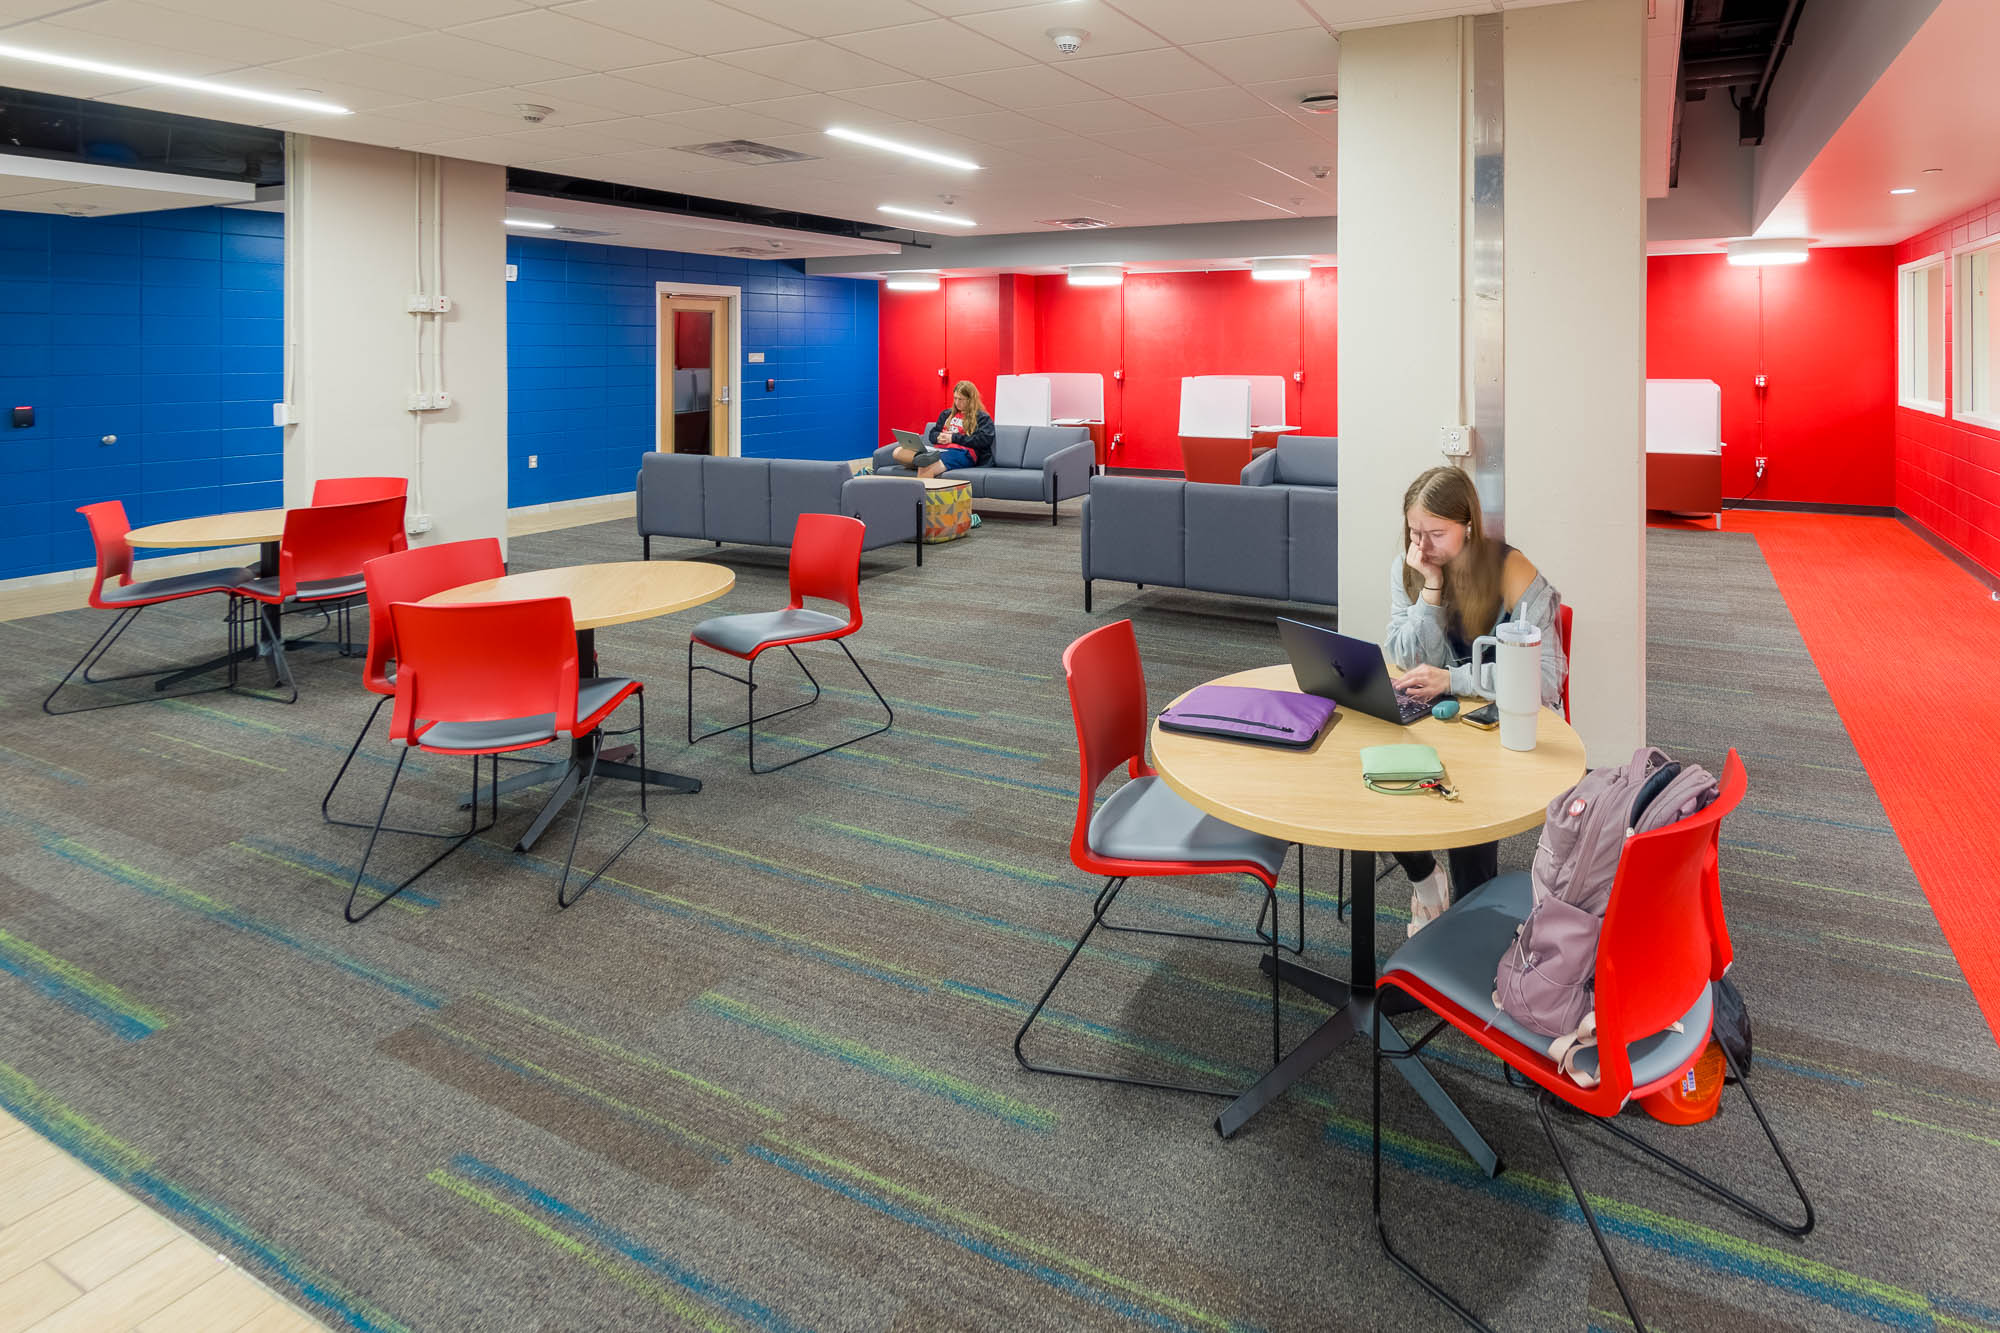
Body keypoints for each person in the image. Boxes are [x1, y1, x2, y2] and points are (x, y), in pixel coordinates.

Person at [1383, 465, 1568, 935]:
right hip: (1438, 718)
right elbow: (1405, 657)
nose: (1422, 546)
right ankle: (1426, 880)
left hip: (1504, 725)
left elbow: (1544, 680)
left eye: (1436, 534)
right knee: (1376, 775)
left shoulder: (1512, 572)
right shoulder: (1413, 565)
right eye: (1414, 532)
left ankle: (1466, 922)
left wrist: (1455, 679)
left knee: (1468, 796)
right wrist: (1430, 587)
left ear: (1468, 527)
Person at [891, 380, 994, 479]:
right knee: (898, 452)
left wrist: (952, 438)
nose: (957, 402)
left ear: (970, 400)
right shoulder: (947, 414)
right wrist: (938, 437)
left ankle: (921, 491)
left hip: (962, 452)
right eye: (955, 398)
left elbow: (984, 439)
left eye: (961, 399)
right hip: (939, 450)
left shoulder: (981, 417)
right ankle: (925, 460)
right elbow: (933, 434)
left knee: (926, 466)